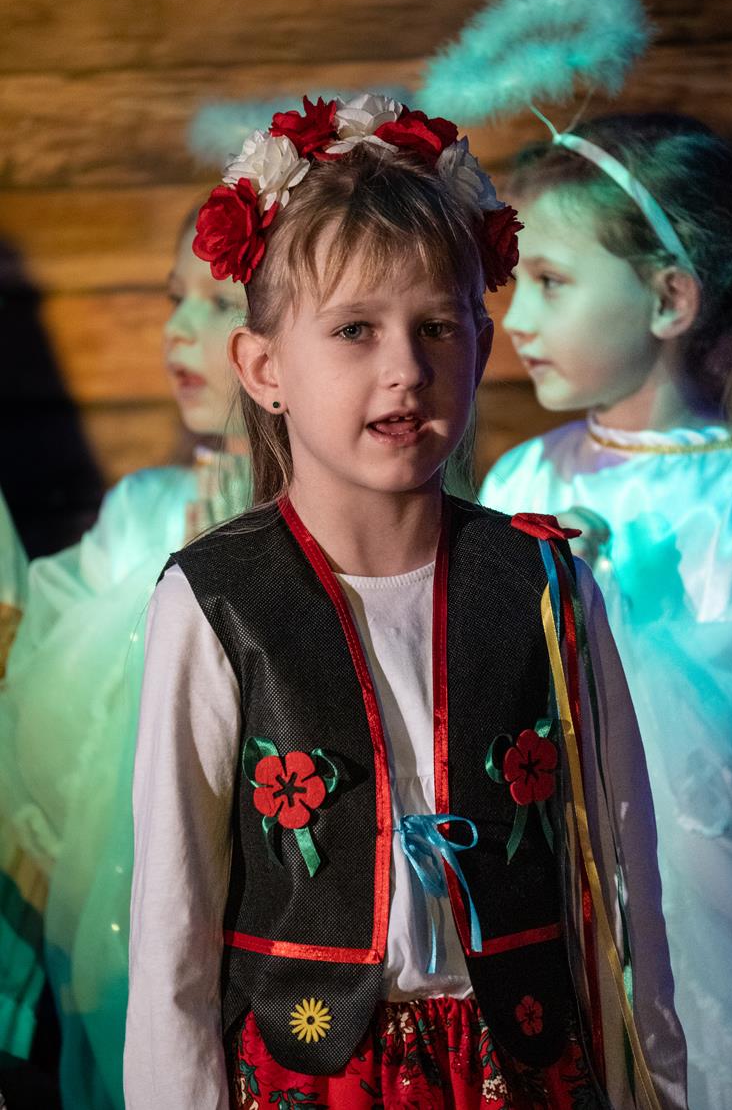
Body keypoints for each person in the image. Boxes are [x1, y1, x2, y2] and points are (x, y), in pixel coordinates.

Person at [125, 93, 687, 1110]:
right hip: (311, 1075)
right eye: (354, 329)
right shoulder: (217, 600)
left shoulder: (544, 580)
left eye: (436, 326)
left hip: (526, 1067)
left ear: (481, 342)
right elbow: (174, 924)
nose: (405, 370)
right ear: (263, 367)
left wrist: (655, 1082)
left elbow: (621, 879)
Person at [479, 111, 732, 1110]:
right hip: (553, 893)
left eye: (552, 282)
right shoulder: (519, 480)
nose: (515, 319)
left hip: (698, 912)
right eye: (518, 284)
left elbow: (729, 736)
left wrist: (614, 612)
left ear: (670, 298)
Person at [0, 218, 251, 1109]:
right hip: (129, 909)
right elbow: (45, 700)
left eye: (218, 302)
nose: (178, 329)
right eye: (175, 298)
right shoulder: (144, 506)